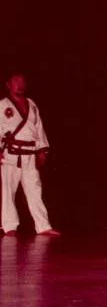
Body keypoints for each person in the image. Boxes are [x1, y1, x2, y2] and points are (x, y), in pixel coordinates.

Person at [0, 73, 61, 237]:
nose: (20, 85)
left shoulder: (32, 104)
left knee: (35, 190)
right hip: (10, 155)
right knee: (7, 190)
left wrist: (42, 150)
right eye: (15, 82)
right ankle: (9, 225)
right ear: (8, 85)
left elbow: (38, 128)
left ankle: (43, 226)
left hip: (30, 154)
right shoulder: (2, 105)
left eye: (22, 81)